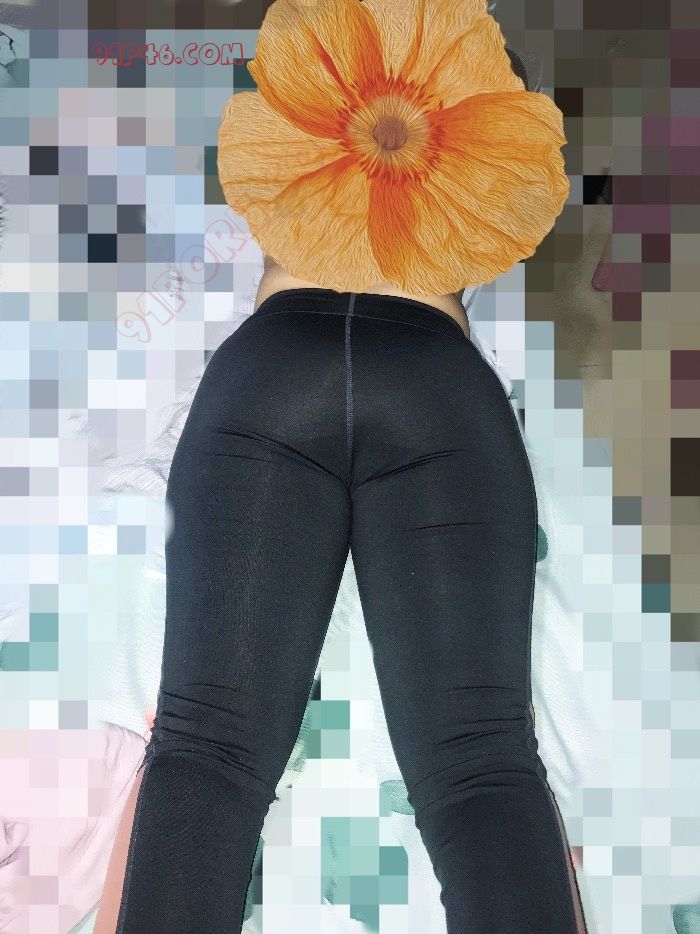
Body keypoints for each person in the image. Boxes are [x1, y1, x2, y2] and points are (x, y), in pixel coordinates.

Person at [95, 0, 587, 930]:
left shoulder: (308, 78)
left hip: (274, 366)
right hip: (436, 376)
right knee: (480, 765)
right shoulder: (485, 99)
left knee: (209, 751)